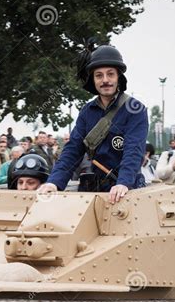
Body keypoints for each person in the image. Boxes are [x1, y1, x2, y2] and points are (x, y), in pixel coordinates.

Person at [39, 44, 148, 204]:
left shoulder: (135, 110)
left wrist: (123, 182)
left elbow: (134, 150)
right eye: (99, 75)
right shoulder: (87, 111)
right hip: (96, 188)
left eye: (110, 74)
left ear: (119, 77)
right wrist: (54, 182)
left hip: (127, 189)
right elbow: (73, 149)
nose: (105, 80)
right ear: (93, 80)